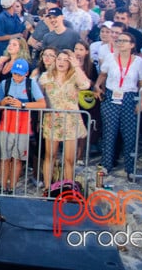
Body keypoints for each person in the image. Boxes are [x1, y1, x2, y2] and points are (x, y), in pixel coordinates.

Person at [94, 32, 142, 182]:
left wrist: (141, 101)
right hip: (111, 96)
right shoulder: (110, 58)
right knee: (109, 132)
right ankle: (106, 164)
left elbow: (141, 82)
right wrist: (97, 86)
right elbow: (102, 75)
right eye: (119, 40)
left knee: (129, 134)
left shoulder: (138, 62)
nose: (121, 43)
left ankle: (130, 168)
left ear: (132, 45)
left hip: (129, 97)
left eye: (124, 40)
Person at [38, 50, 90, 189]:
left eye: (65, 60)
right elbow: (39, 97)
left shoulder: (74, 76)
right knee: (50, 155)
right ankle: (48, 188)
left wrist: (77, 67)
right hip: (52, 119)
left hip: (70, 121)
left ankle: (69, 189)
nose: (61, 62)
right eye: (59, 59)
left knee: (69, 159)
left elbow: (85, 85)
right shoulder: (45, 76)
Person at [0, 58, 46, 193]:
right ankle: (2, 187)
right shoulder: (5, 83)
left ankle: (12, 188)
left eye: (19, 74)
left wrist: (23, 105)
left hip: (23, 126)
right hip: (6, 125)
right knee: (4, 158)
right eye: (14, 73)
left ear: (26, 73)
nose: (16, 77)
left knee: (17, 158)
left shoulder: (31, 84)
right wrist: (3, 103)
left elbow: (42, 104)